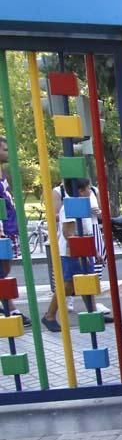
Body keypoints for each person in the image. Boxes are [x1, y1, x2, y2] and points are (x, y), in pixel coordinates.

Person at [40, 178, 104, 332]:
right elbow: (69, 233)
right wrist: (88, 250)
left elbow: (85, 231)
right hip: (72, 252)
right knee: (69, 284)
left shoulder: (82, 206)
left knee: (86, 281)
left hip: (81, 250)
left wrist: (92, 250)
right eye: (88, 188)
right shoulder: (69, 208)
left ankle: (92, 312)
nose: (91, 191)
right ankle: (49, 315)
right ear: (81, 191)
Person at [0, 137, 28, 326]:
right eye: (4, 149)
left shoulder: (2, 173)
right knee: (1, 268)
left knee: (6, 265)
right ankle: (10, 307)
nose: (7, 152)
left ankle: (6, 303)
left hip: (9, 226)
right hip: (2, 227)